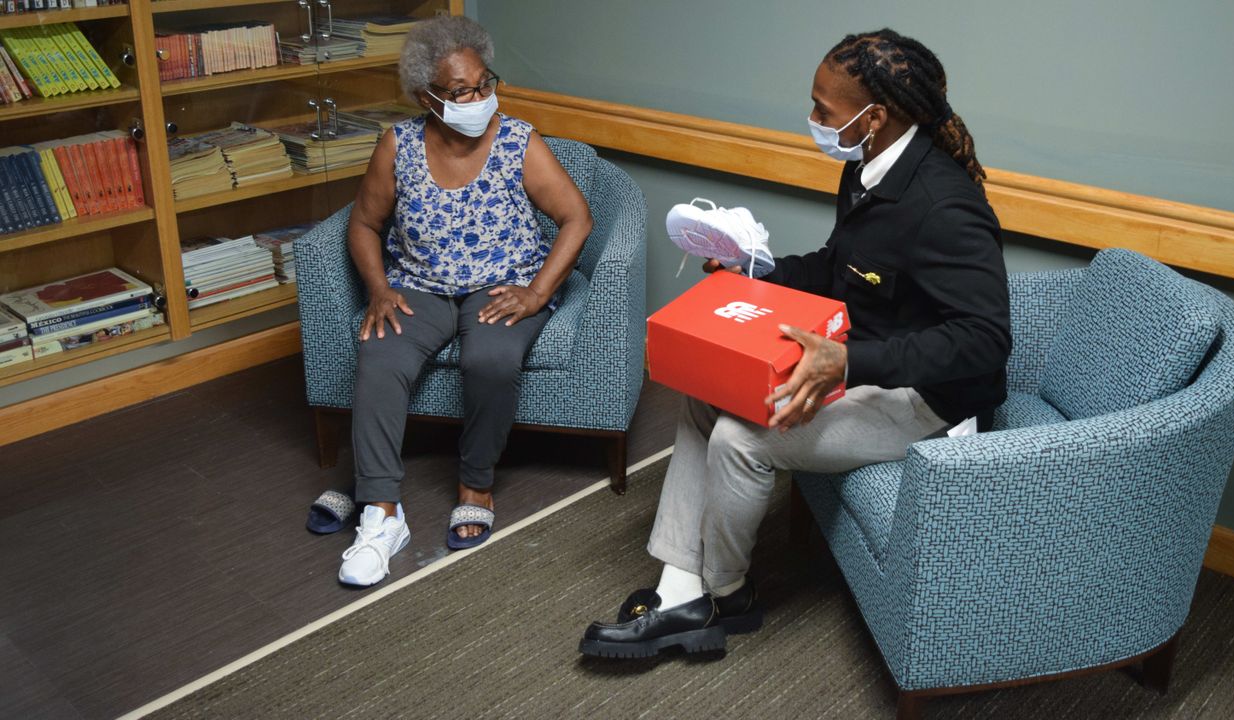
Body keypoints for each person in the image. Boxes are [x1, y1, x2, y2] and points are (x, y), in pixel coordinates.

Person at [579, 29, 1011, 658]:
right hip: (860, 363)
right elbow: (839, 267)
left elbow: (985, 340)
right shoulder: (867, 168)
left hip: (930, 402)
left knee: (742, 436)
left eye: (823, 111)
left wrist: (850, 360)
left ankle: (725, 598)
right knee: (705, 396)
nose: (813, 120)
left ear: (875, 118)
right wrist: (755, 269)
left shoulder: (943, 205)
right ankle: (679, 589)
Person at [337, 16, 591, 587]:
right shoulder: (396, 145)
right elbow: (363, 223)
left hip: (500, 288)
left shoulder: (518, 140)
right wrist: (379, 289)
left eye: (484, 83)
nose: (479, 98)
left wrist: (537, 292)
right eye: (461, 92)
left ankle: (476, 484)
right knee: (379, 354)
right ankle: (381, 514)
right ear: (427, 97)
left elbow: (576, 217)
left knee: (491, 360)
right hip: (419, 287)